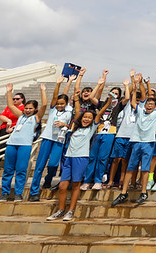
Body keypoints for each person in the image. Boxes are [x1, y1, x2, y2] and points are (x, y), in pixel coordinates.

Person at [45, 90, 110, 221]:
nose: (86, 119)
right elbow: (78, 111)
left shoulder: (91, 129)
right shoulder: (75, 127)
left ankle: (71, 210)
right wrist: (76, 99)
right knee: (63, 186)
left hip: (81, 158)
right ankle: (60, 210)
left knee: (75, 185)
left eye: (89, 118)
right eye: (85, 117)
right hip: (69, 157)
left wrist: (108, 101)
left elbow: (101, 112)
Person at [111, 73, 156, 206]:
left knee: (145, 169)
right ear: (144, 105)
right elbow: (134, 102)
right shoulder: (140, 111)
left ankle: (144, 192)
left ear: (155, 106)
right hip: (136, 142)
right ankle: (123, 193)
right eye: (148, 104)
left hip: (148, 144)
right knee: (130, 167)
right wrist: (134, 88)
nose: (150, 105)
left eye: (152, 104)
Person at [28, 74, 73, 201]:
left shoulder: (69, 111)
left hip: (59, 140)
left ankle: (48, 179)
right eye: (58, 103)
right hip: (48, 138)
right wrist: (58, 84)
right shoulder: (54, 109)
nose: (59, 105)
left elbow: (70, 124)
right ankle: (34, 192)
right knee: (39, 166)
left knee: (53, 164)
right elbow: (55, 97)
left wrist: (65, 124)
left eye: (62, 103)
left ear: (66, 103)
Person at [0, 83, 47, 201]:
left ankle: (18, 193)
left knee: (21, 170)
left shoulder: (36, 117)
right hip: (11, 144)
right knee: (8, 170)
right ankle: (5, 193)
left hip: (25, 146)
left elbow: (45, 105)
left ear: (35, 109)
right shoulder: (20, 115)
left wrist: (43, 91)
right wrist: (9, 91)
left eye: (31, 108)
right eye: (26, 108)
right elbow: (10, 105)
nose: (28, 110)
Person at [0, 80, 31, 178]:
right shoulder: (9, 107)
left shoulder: (24, 109)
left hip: (14, 131)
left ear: (22, 99)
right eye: (13, 99)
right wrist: (8, 120)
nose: (14, 100)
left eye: (17, 99)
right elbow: (1, 116)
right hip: (4, 129)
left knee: (8, 151)